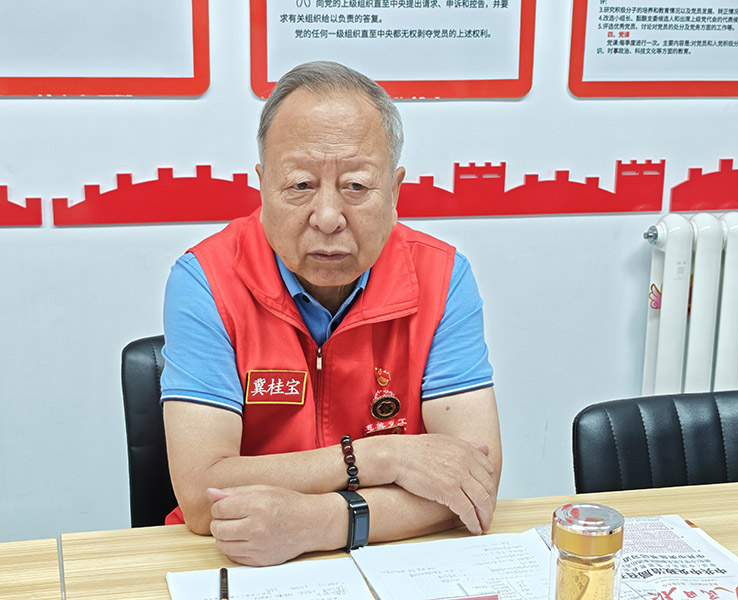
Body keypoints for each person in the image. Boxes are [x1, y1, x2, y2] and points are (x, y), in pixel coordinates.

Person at [160, 61, 502, 566]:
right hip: (240, 558)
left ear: (395, 192)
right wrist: (379, 456)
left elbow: (474, 483)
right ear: (262, 185)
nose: (326, 217)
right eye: (300, 185)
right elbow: (200, 493)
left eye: (356, 186)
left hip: (396, 560)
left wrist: (318, 522)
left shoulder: (442, 276)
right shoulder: (206, 280)